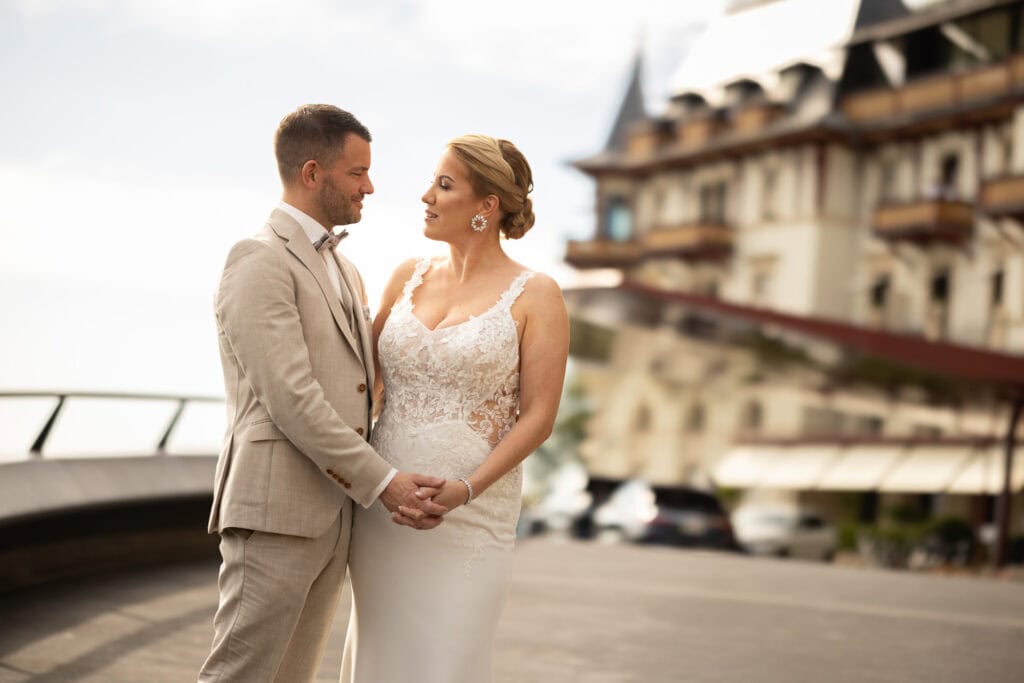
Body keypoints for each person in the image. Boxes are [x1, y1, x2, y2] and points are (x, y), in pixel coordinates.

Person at [198, 104, 449, 683]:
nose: (371, 186)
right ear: (313, 173)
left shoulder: (348, 269)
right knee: (239, 673)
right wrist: (384, 481)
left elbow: (360, 386)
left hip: (334, 516)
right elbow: (291, 398)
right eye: (357, 173)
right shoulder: (257, 260)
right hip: (275, 513)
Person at [340, 134, 570, 682]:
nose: (427, 195)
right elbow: (360, 381)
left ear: (486, 206)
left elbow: (538, 417)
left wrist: (466, 490)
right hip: (385, 511)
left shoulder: (537, 294)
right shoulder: (405, 276)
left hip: (471, 518)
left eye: (444, 185)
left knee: (447, 663)